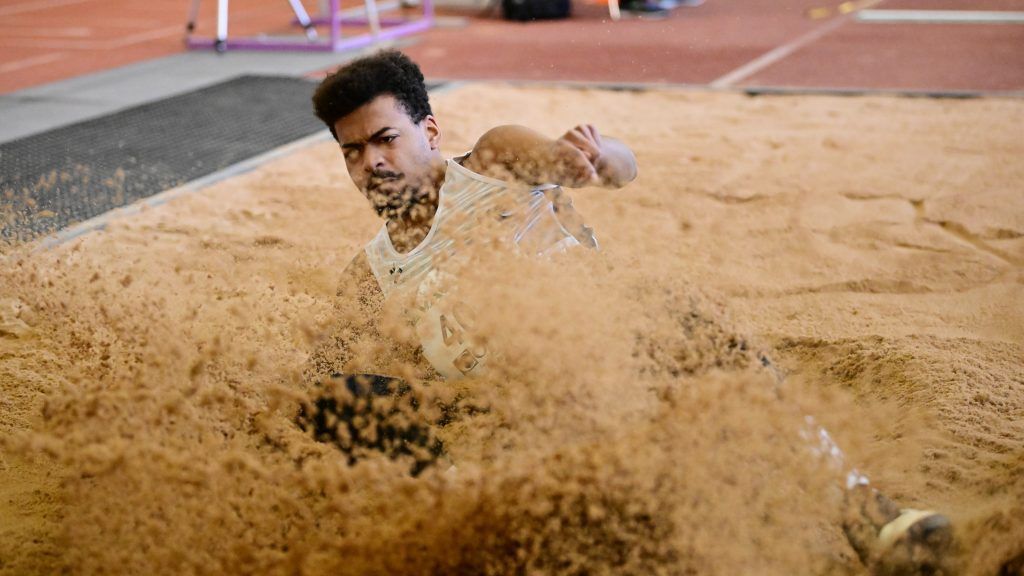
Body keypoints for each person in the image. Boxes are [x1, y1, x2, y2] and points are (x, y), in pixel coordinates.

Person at [303, 49, 953, 575]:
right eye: (352, 152)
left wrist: (594, 156)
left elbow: (609, 168)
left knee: (674, 307)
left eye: (384, 139)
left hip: (620, 372)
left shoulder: (497, 161)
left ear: (430, 131)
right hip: (511, 440)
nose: (371, 164)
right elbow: (322, 390)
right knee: (342, 397)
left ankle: (866, 510)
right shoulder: (369, 274)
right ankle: (478, 528)